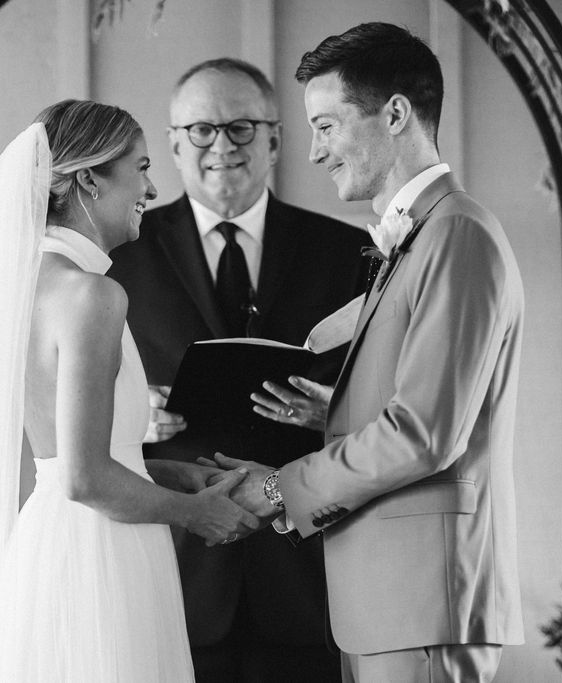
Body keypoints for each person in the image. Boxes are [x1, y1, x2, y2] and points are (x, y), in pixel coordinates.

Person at [0, 100, 259, 682]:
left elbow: (67, 459)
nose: (150, 188)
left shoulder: (25, 286)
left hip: (58, 542)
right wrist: (197, 514)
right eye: (141, 169)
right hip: (98, 557)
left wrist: (173, 474)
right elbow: (84, 478)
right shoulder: (92, 296)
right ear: (89, 181)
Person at [208, 23, 526, 682]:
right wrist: (332, 413)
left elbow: (425, 433)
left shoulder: (457, 235)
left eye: (327, 125)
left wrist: (278, 488)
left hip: (423, 600)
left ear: (397, 114)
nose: (317, 152)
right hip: (386, 600)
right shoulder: (421, 238)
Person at [108, 58, 370, 682]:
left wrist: (334, 406)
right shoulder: (121, 255)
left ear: (276, 139)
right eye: (200, 130)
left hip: (308, 565)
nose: (221, 145)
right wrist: (131, 414)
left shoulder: (347, 254)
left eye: (242, 127)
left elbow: (381, 402)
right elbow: (71, 401)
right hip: (175, 565)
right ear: (172, 143)